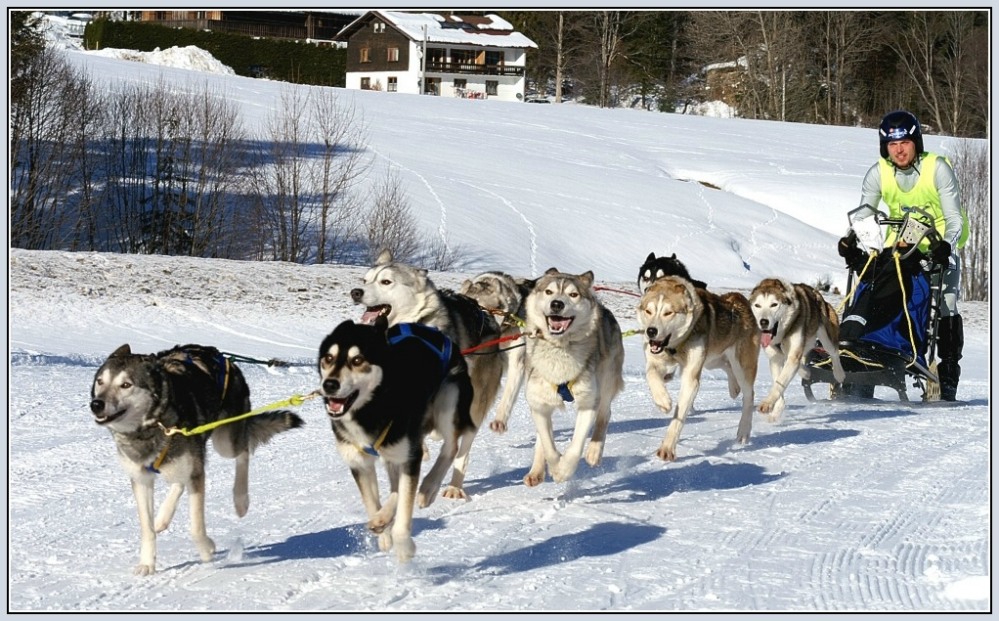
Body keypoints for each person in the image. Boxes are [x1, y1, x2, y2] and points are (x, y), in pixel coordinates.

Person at [838, 110, 969, 401]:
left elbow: (954, 217)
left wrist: (947, 245)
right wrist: (851, 241)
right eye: (892, 144)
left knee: (945, 303)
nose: (899, 150)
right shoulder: (878, 173)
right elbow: (864, 215)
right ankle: (863, 347)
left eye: (905, 142)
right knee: (875, 278)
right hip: (902, 244)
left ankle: (946, 375)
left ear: (916, 142)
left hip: (940, 242)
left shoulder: (937, 169)